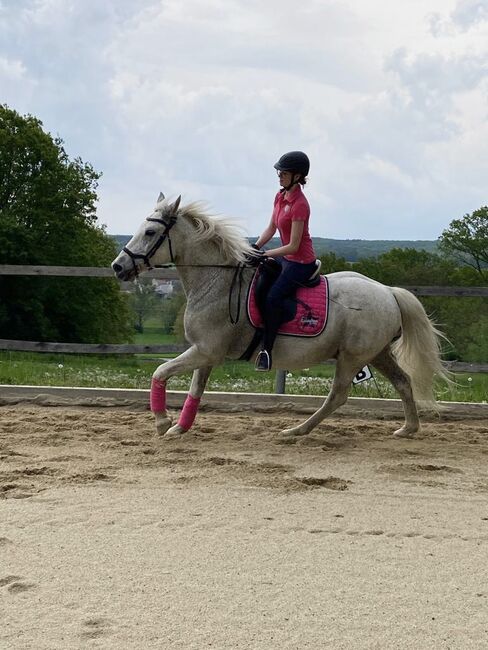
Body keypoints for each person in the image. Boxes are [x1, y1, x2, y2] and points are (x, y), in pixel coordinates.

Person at [253, 151, 317, 371]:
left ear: (297, 176)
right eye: (279, 171)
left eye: (284, 172)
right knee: (258, 278)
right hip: (285, 258)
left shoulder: (301, 204)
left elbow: (294, 246)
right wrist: (255, 247)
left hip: (300, 262)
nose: (279, 175)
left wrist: (266, 254)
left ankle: (267, 351)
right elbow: (271, 228)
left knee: (273, 297)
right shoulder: (280, 196)